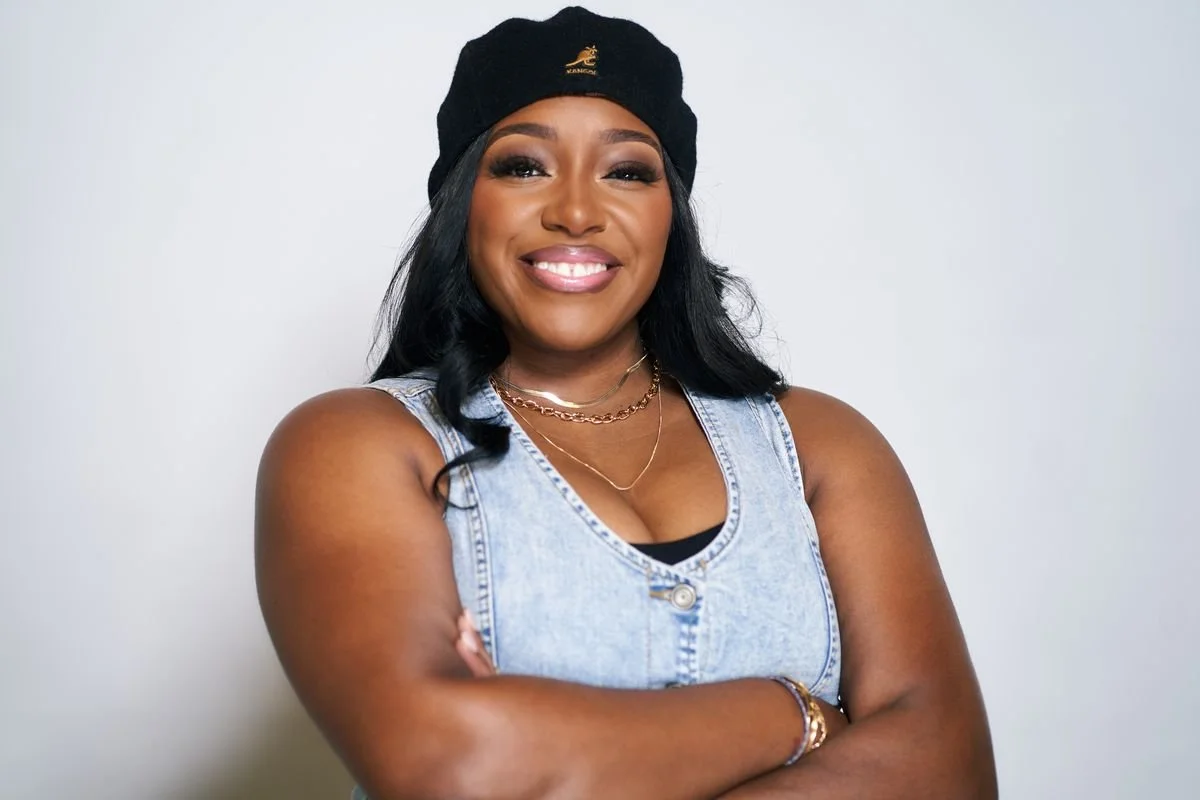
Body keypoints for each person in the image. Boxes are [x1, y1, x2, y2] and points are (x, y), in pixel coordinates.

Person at [255, 7, 996, 798]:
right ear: (463, 203)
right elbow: (451, 765)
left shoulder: (818, 446)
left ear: (670, 214)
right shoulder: (355, 445)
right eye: (524, 166)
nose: (576, 211)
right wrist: (796, 716)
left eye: (628, 171)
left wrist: (538, 749)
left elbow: (950, 771)